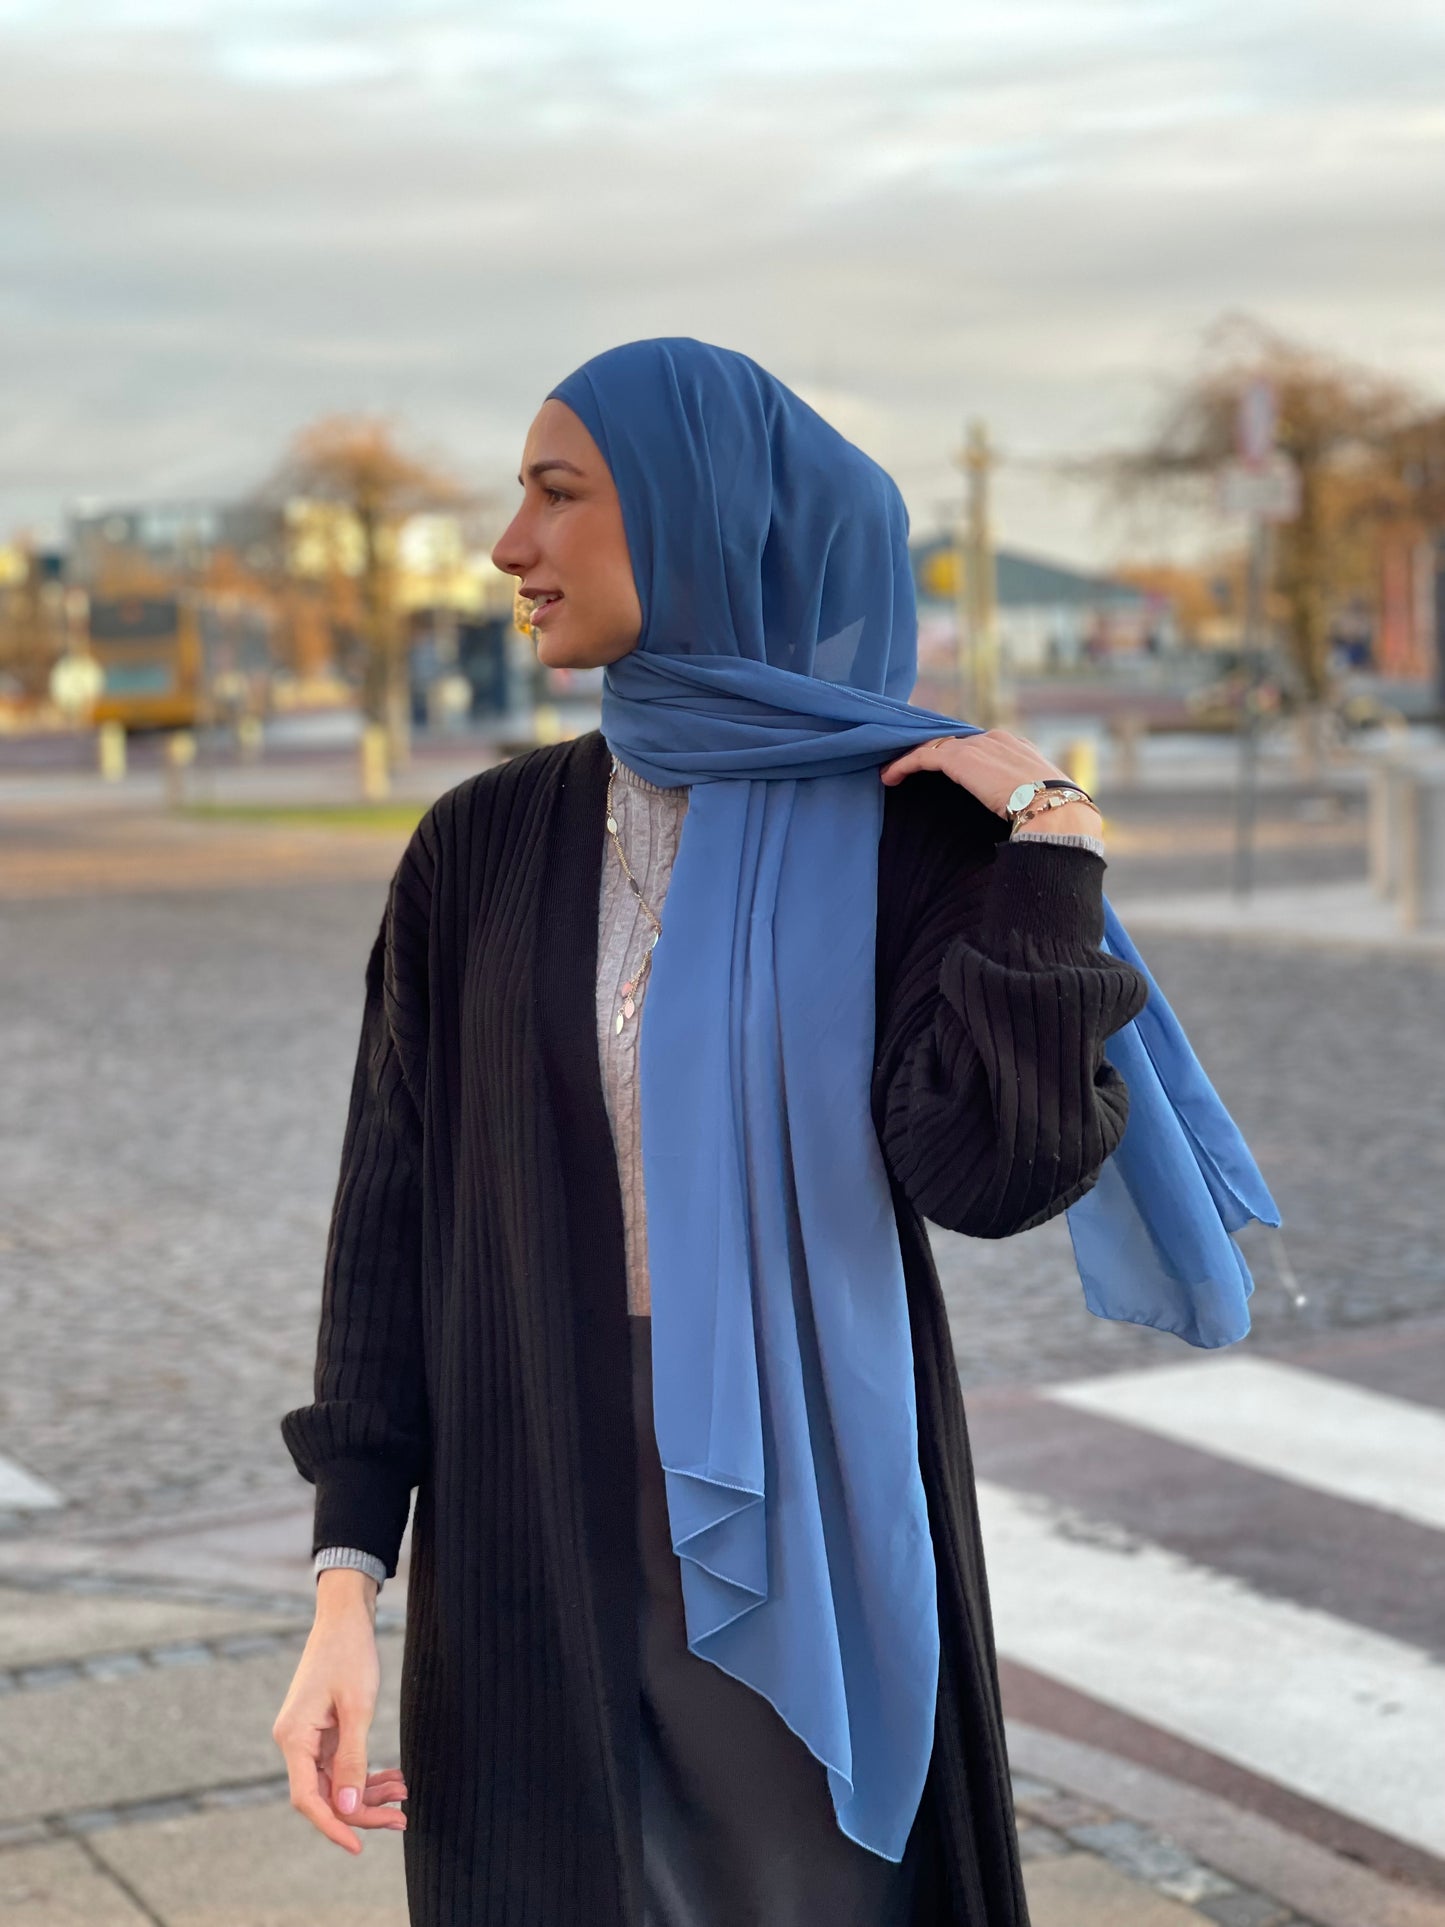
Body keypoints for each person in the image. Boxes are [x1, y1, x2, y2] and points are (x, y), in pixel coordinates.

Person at [272, 338, 1275, 1927]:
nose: (508, 545)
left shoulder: (906, 832)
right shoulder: (480, 845)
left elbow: (991, 1173)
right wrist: (345, 1585)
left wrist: (1044, 856)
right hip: (529, 1500)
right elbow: (391, 1219)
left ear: (701, 518)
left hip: (805, 1510)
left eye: (556, 494)